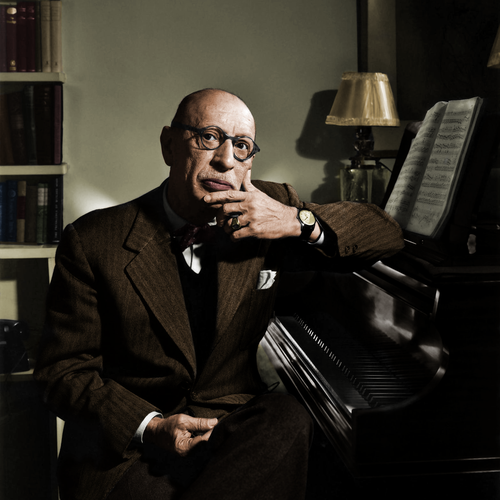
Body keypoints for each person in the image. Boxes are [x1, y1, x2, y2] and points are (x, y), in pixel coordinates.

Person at [34, 88, 404, 500]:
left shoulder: (270, 208)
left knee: (289, 418)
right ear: (169, 145)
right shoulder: (92, 240)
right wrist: (151, 425)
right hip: (131, 450)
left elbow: (386, 234)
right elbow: (62, 373)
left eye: (241, 146)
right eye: (208, 137)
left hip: (228, 434)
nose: (226, 159)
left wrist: (295, 219)